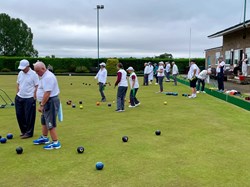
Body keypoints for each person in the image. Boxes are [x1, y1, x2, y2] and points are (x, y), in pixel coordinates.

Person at [33, 61, 61, 150]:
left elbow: (47, 93)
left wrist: (41, 105)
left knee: (50, 122)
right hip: (47, 101)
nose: (37, 73)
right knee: (44, 120)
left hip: (50, 102)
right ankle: (45, 138)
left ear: (43, 69)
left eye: (37, 71)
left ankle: (56, 142)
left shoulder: (48, 77)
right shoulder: (44, 76)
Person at [15, 59, 39, 139]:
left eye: (24, 68)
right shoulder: (20, 73)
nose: (22, 69)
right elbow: (18, 83)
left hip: (29, 98)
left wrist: (34, 97)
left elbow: (37, 86)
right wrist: (17, 94)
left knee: (29, 116)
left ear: (28, 66)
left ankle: (29, 133)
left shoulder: (34, 74)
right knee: (19, 115)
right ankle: (23, 131)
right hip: (19, 97)